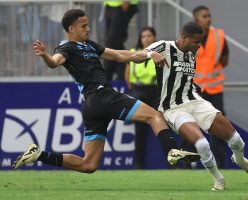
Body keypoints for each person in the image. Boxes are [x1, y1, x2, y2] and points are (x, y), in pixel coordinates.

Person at [12, 9, 199, 173]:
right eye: (83, 26)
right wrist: (45, 54)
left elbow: (119, 54)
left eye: (88, 25)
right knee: (155, 116)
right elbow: (54, 62)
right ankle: (172, 150)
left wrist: (148, 54)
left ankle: (39, 155)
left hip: (92, 106)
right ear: (71, 29)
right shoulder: (66, 48)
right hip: (104, 96)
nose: (88, 28)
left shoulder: (91, 46)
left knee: (89, 165)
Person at [131, 21, 248, 190]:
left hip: (195, 101)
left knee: (236, 140)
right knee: (202, 145)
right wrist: (150, 55)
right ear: (183, 37)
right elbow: (135, 57)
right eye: (196, 41)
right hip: (173, 108)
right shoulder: (163, 46)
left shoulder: (192, 52)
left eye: (200, 42)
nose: (199, 46)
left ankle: (240, 160)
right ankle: (218, 179)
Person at [192, 5, 229, 169]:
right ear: (196, 19)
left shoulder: (218, 35)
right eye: (204, 16)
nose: (208, 19)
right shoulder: (189, 36)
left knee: (219, 127)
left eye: (209, 16)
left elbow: (225, 59)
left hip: (214, 90)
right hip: (195, 90)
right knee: (190, 125)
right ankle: (187, 164)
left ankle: (219, 162)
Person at [124, 27, 159, 169]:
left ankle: (172, 164)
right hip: (138, 91)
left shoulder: (161, 53)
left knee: (162, 128)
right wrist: (133, 91)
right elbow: (127, 75)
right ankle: (139, 165)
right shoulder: (134, 53)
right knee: (140, 132)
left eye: (149, 35)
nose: (146, 38)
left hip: (156, 92)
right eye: (143, 36)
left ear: (154, 37)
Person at [103, 0, 138, 80]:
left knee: (112, 39)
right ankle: (120, 74)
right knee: (111, 40)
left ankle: (112, 74)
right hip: (110, 4)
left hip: (122, 4)